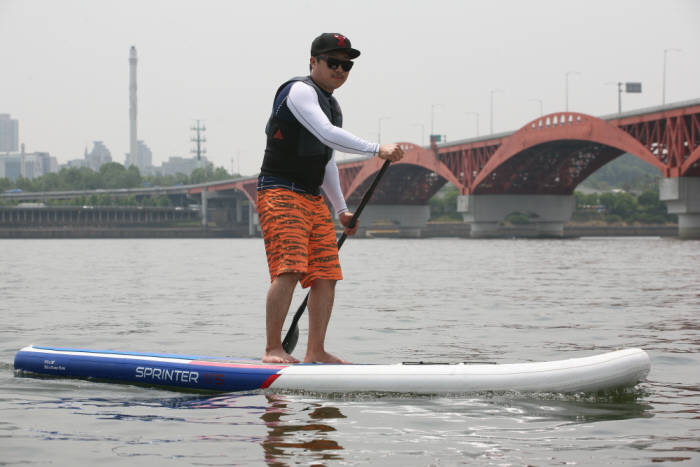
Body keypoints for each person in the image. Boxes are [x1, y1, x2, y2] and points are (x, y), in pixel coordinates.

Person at [257, 32, 404, 364]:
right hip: (279, 191)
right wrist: (377, 149)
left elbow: (325, 161)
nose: (340, 69)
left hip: (311, 199)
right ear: (313, 62)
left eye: (346, 65)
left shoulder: (332, 105)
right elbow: (326, 134)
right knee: (291, 268)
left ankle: (315, 352)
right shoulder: (299, 92)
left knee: (326, 274)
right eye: (333, 62)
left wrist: (341, 210)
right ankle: (272, 349)